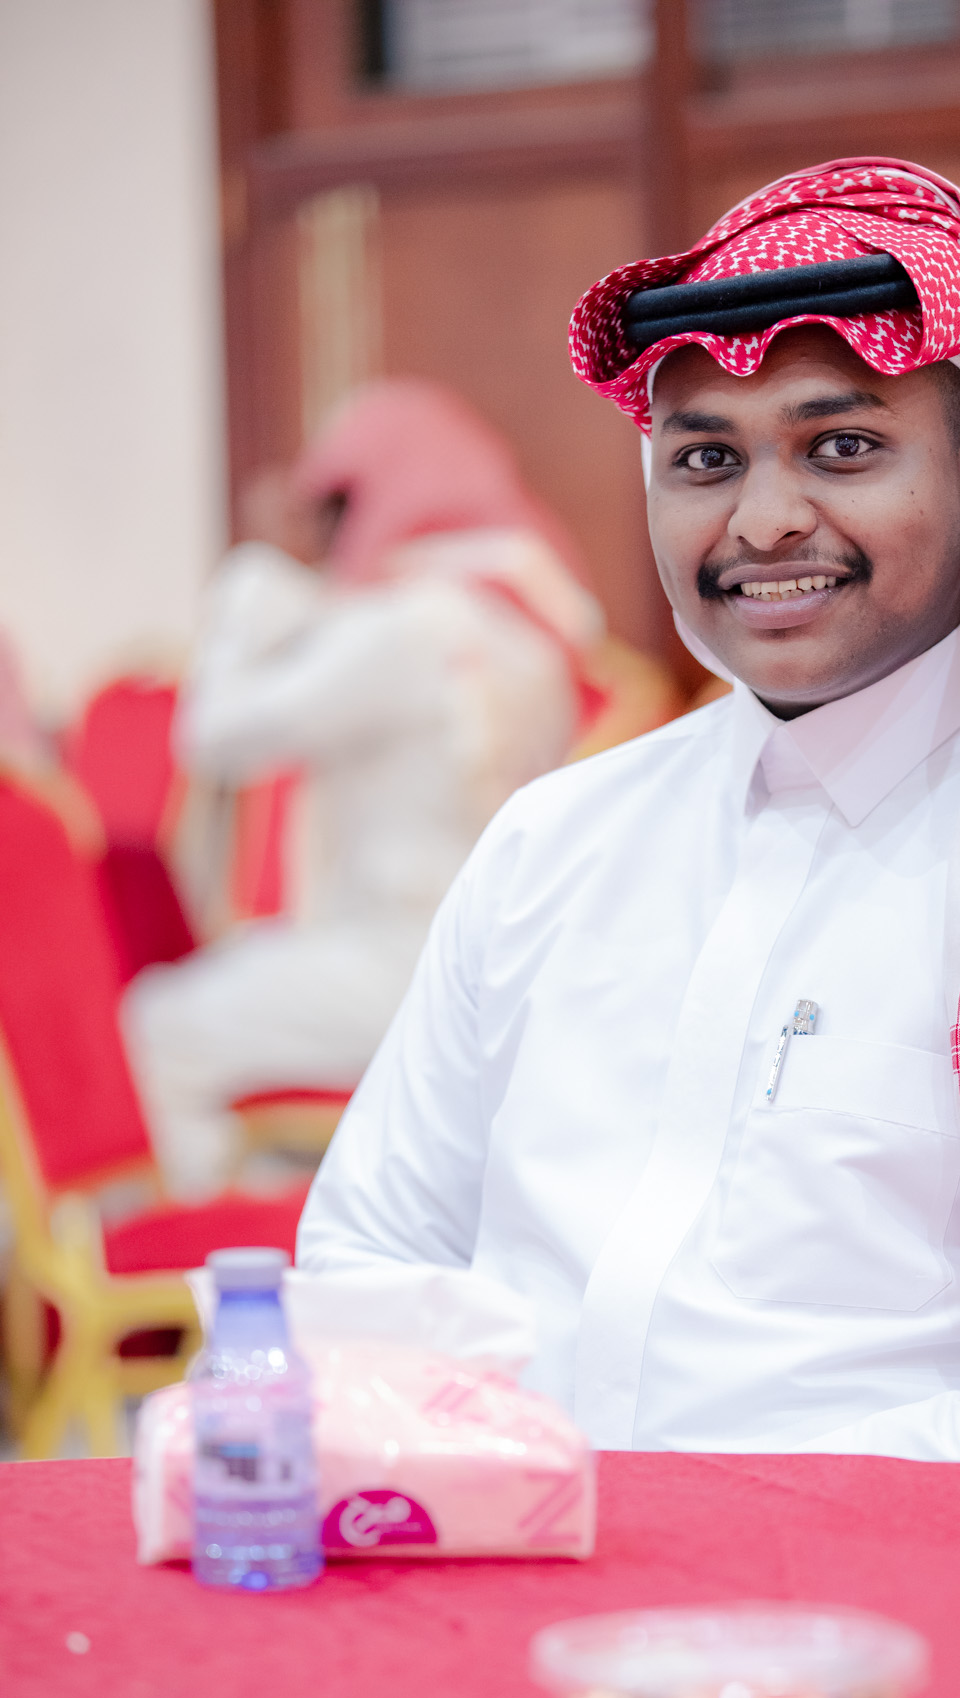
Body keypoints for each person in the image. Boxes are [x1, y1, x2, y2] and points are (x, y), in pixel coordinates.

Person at [298, 160, 960, 1473]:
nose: (763, 521)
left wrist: (779, 1522)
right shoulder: (550, 843)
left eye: (840, 447)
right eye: (705, 460)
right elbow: (369, 1256)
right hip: (511, 1549)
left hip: (926, 1580)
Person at [121, 379, 602, 1198]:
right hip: (498, 962)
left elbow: (212, 736)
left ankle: (203, 1260)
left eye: (335, 503)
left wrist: (260, 573)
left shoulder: (411, 628)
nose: (328, 529)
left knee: (155, 1027)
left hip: (403, 959)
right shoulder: (519, 612)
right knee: (236, 989)